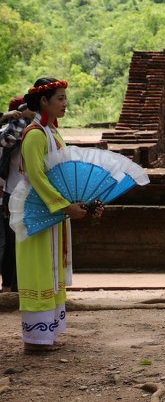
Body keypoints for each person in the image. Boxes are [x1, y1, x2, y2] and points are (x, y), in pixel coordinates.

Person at [14, 78, 101, 353]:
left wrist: (83, 203)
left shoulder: (52, 132)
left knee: (51, 268)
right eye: (60, 98)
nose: (65, 103)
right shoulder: (35, 134)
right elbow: (37, 177)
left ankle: (46, 333)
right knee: (38, 270)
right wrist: (64, 207)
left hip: (51, 210)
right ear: (44, 101)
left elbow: (61, 176)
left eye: (65, 98)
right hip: (36, 212)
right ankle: (36, 338)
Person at [0, 97, 33, 292]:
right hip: (12, 193)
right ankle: (11, 286)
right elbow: (7, 139)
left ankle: (15, 285)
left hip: (16, 192)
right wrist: (16, 119)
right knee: (10, 245)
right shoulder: (17, 130)